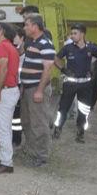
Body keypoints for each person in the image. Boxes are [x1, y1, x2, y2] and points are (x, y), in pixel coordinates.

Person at [52, 24, 97, 143]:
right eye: (71, 33)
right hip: (70, 84)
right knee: (63, 108)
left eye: (75, 33)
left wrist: (95, 69)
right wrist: (63, 69)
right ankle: (57, 128)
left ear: (82, 34)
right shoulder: (68, 48)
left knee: (84, 110)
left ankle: (80, 132)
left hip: (85, 85)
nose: (72, 36)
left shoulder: (91, 48)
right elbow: (56, 58)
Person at [20, 13, 55, 167]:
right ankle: (31, 150)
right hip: (27, 88)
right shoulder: (32, 42)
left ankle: (42, 156)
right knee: (27, 121)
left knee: (39, 123)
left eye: (27, 25)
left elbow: (47, 70)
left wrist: (40, 91)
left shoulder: (46, 44)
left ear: (35, 26)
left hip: (36, 89)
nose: (25, 28)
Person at [0, 23, 21, 173]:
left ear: (2, 32)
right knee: (5, 128)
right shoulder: (10, 47)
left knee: (2, 129)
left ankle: (6, 163)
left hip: (5, 91)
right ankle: (4, 159)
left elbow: (3, 68)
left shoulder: (2, 46)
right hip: (10, 90)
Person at [11, 25, 26, 146]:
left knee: (17, 115)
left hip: (22, 86)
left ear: (22, 38)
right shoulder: (11, 50)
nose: (12, 38)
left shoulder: (27, 54)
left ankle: (17, 139)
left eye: (15, 36)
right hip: (12, 85)